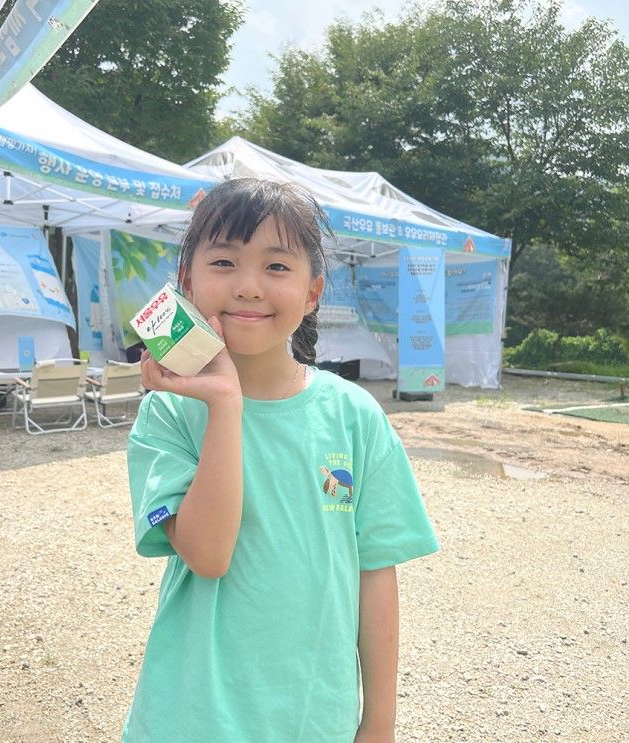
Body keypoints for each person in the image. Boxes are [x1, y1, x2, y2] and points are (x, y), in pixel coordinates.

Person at [122, 178, 439, 743]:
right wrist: (223, 402)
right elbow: (209, 556)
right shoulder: (169, 416)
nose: (248, 287)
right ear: (187, 283)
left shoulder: (354, 416)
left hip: (315, 719)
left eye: (276, 266)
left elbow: (375, 574)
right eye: (224, 261)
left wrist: (380, 721)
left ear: (313, 291)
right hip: (191, 718)